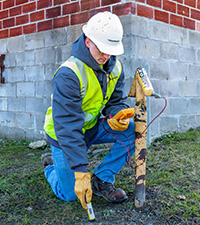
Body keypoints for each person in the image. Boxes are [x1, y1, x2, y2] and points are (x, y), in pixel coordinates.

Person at [42, 11, 135, 210]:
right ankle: (51, 167)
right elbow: (68, 126)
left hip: (90, 128)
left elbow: (116, 100)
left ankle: (102, 178)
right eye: (102, 49)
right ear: (88, 41)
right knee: (70, 194)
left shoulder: (115, 67)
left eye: (110, 50)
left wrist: (116, 114)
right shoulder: (68, 74)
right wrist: (80, 171)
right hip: (63, 135)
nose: (106, 55)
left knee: (135, 130)